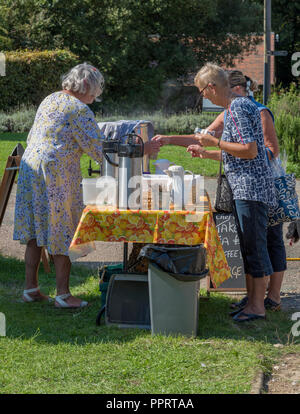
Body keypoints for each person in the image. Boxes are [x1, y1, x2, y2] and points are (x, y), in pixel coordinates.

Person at [152, 69, 286, 313]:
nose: (204, 96)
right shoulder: (234, 109)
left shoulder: (239, 108)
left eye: (202, 91)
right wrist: (202, 149)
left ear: (212, 87)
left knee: (255, 248)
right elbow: (235, 150)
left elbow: (250, 150)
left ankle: (258, 305)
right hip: (244, 186)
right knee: (248, 247)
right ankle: (251, 300)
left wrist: (214, 143)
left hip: (251, 187)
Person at [14, 63, 107, 308]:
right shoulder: (79, 109)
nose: (93, 99)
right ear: (86, 86)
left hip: (30, 168)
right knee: (62, 229)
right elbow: (99, 150)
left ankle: (30, 289)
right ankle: (64, 295)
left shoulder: (50, 99)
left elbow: (33, 135)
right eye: (94, 93)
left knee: (36, 231)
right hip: (54, 173)